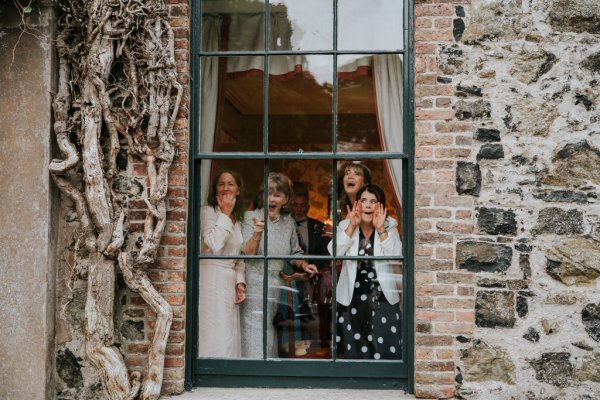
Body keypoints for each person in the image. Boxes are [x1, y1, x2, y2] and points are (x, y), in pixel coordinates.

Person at [241, 173, 318, 358]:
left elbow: (294, 252)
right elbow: (247, 253)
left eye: (276, 195)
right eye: (268, 193)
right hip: (254, 281)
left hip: (276, 284)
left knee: (268, 328)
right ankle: (255, 369)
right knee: (255, 329)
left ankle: (267, 368)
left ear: (285, 199)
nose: (271, 199)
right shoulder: (250, 216)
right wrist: (257, 234)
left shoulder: (288, 222)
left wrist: (303, 264)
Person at [328, 184, 402, 360]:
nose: (368, 205)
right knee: (354, 349)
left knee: (384, 348)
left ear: (380, 206)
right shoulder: (346, 224)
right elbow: (333, 252)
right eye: (363, 201)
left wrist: (381, 229)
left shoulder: (390, 225)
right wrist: (351, 227)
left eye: (373, 201)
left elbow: (396, 255)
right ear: (357, 204)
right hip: (351, 298)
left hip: (382, 298)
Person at [198, 170, 247, 358]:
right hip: (211, 276)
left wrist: (240, 282)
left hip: (229, 279)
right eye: (221, 184)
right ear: (215, 189)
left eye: (231, 183)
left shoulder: (238, 218)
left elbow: (239, 255)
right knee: (214, 327)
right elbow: (213, 243)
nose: (226, 188)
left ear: (239, 191)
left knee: (228, 330)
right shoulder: (208, 212)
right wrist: (224, 213)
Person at [288, 182, 331, 351]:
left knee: (313, 319)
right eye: (295, 205)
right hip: (288, 281)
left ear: (308, 205)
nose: (298, 209)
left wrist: (317, 271)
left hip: (312, 283)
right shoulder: (283, 225)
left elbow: (326, 256)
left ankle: (316, 347)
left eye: (302, 205)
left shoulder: (318, 227)